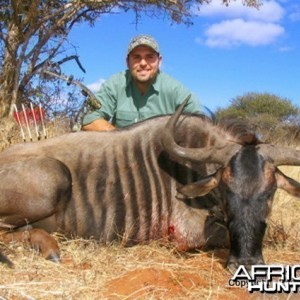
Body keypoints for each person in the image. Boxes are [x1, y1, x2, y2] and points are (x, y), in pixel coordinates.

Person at [81, 34, 200, 131]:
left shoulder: (176, 90)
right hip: (122, 152)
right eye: (136, 57)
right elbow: (89, 119)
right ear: (127, 62)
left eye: (149, 57)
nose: (143, 63)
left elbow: (199, 125)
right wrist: (123, 140)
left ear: (159, 61)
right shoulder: (114, 84)